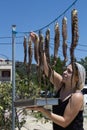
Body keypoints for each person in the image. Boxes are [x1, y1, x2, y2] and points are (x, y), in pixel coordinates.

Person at [26, 32, 86, 130]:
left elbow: (64, 122)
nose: (64, 72)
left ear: (77, 78)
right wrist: (37, 45)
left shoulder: (77, 96)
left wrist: (42, 110)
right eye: (66, 69)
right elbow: (46, 68)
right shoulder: (60, 84)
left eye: (69, 71)